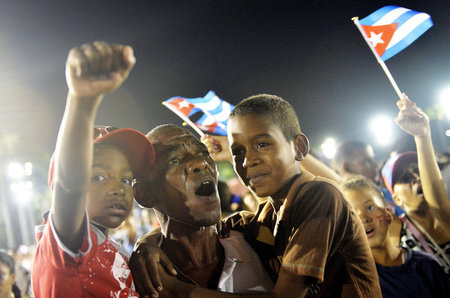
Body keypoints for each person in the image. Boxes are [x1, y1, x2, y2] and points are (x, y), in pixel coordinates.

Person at [137, 94, 382, 297]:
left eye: (262, 144)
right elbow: (186, 227)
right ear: (145, 194)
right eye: (238, 151)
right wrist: (146, 243)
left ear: (299, 147)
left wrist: (176, 291)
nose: (249, 160)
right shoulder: (262, 220)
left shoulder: (319, 196)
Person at [31, 41, 155, 297]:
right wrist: (82, 102)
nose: (118, 189)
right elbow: (69, 187)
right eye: (98, 176)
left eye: (126, 179)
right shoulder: (64, 246)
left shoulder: (112, 249)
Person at [130, 124, 274, 296]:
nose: (201, 163)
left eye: (203, 153)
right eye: (174, 160)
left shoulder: (256, 235)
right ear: (144, 195)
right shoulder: (135, 278)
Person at [342, 176, 450, 297]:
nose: (364, 218)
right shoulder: (357, 283)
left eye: (370, 207)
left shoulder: (426, 265)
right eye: (353, 214)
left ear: (388, 214)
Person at [381, 94, 450, 274]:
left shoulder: (447, 213)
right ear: (395, 197)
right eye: (404, 178)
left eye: (418, 171)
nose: (416, 178)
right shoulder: (396, 234)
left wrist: (422, 135)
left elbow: (438, 202)